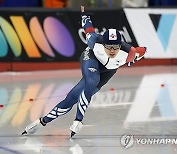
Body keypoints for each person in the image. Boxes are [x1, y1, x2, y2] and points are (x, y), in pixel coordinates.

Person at [22, 5, 146, 138]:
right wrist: (84, 14)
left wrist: (131, 61)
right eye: (108, 47)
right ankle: (78, 120)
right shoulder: (94, 41)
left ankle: (41, 122)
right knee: (92, 81)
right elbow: (88, 27)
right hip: (91, 58)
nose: (111, 50)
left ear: (120, 46)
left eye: (115, 47)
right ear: (102, 44)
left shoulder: (130, 53)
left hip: (108, 71)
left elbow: (143, 50)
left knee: (72, 98)